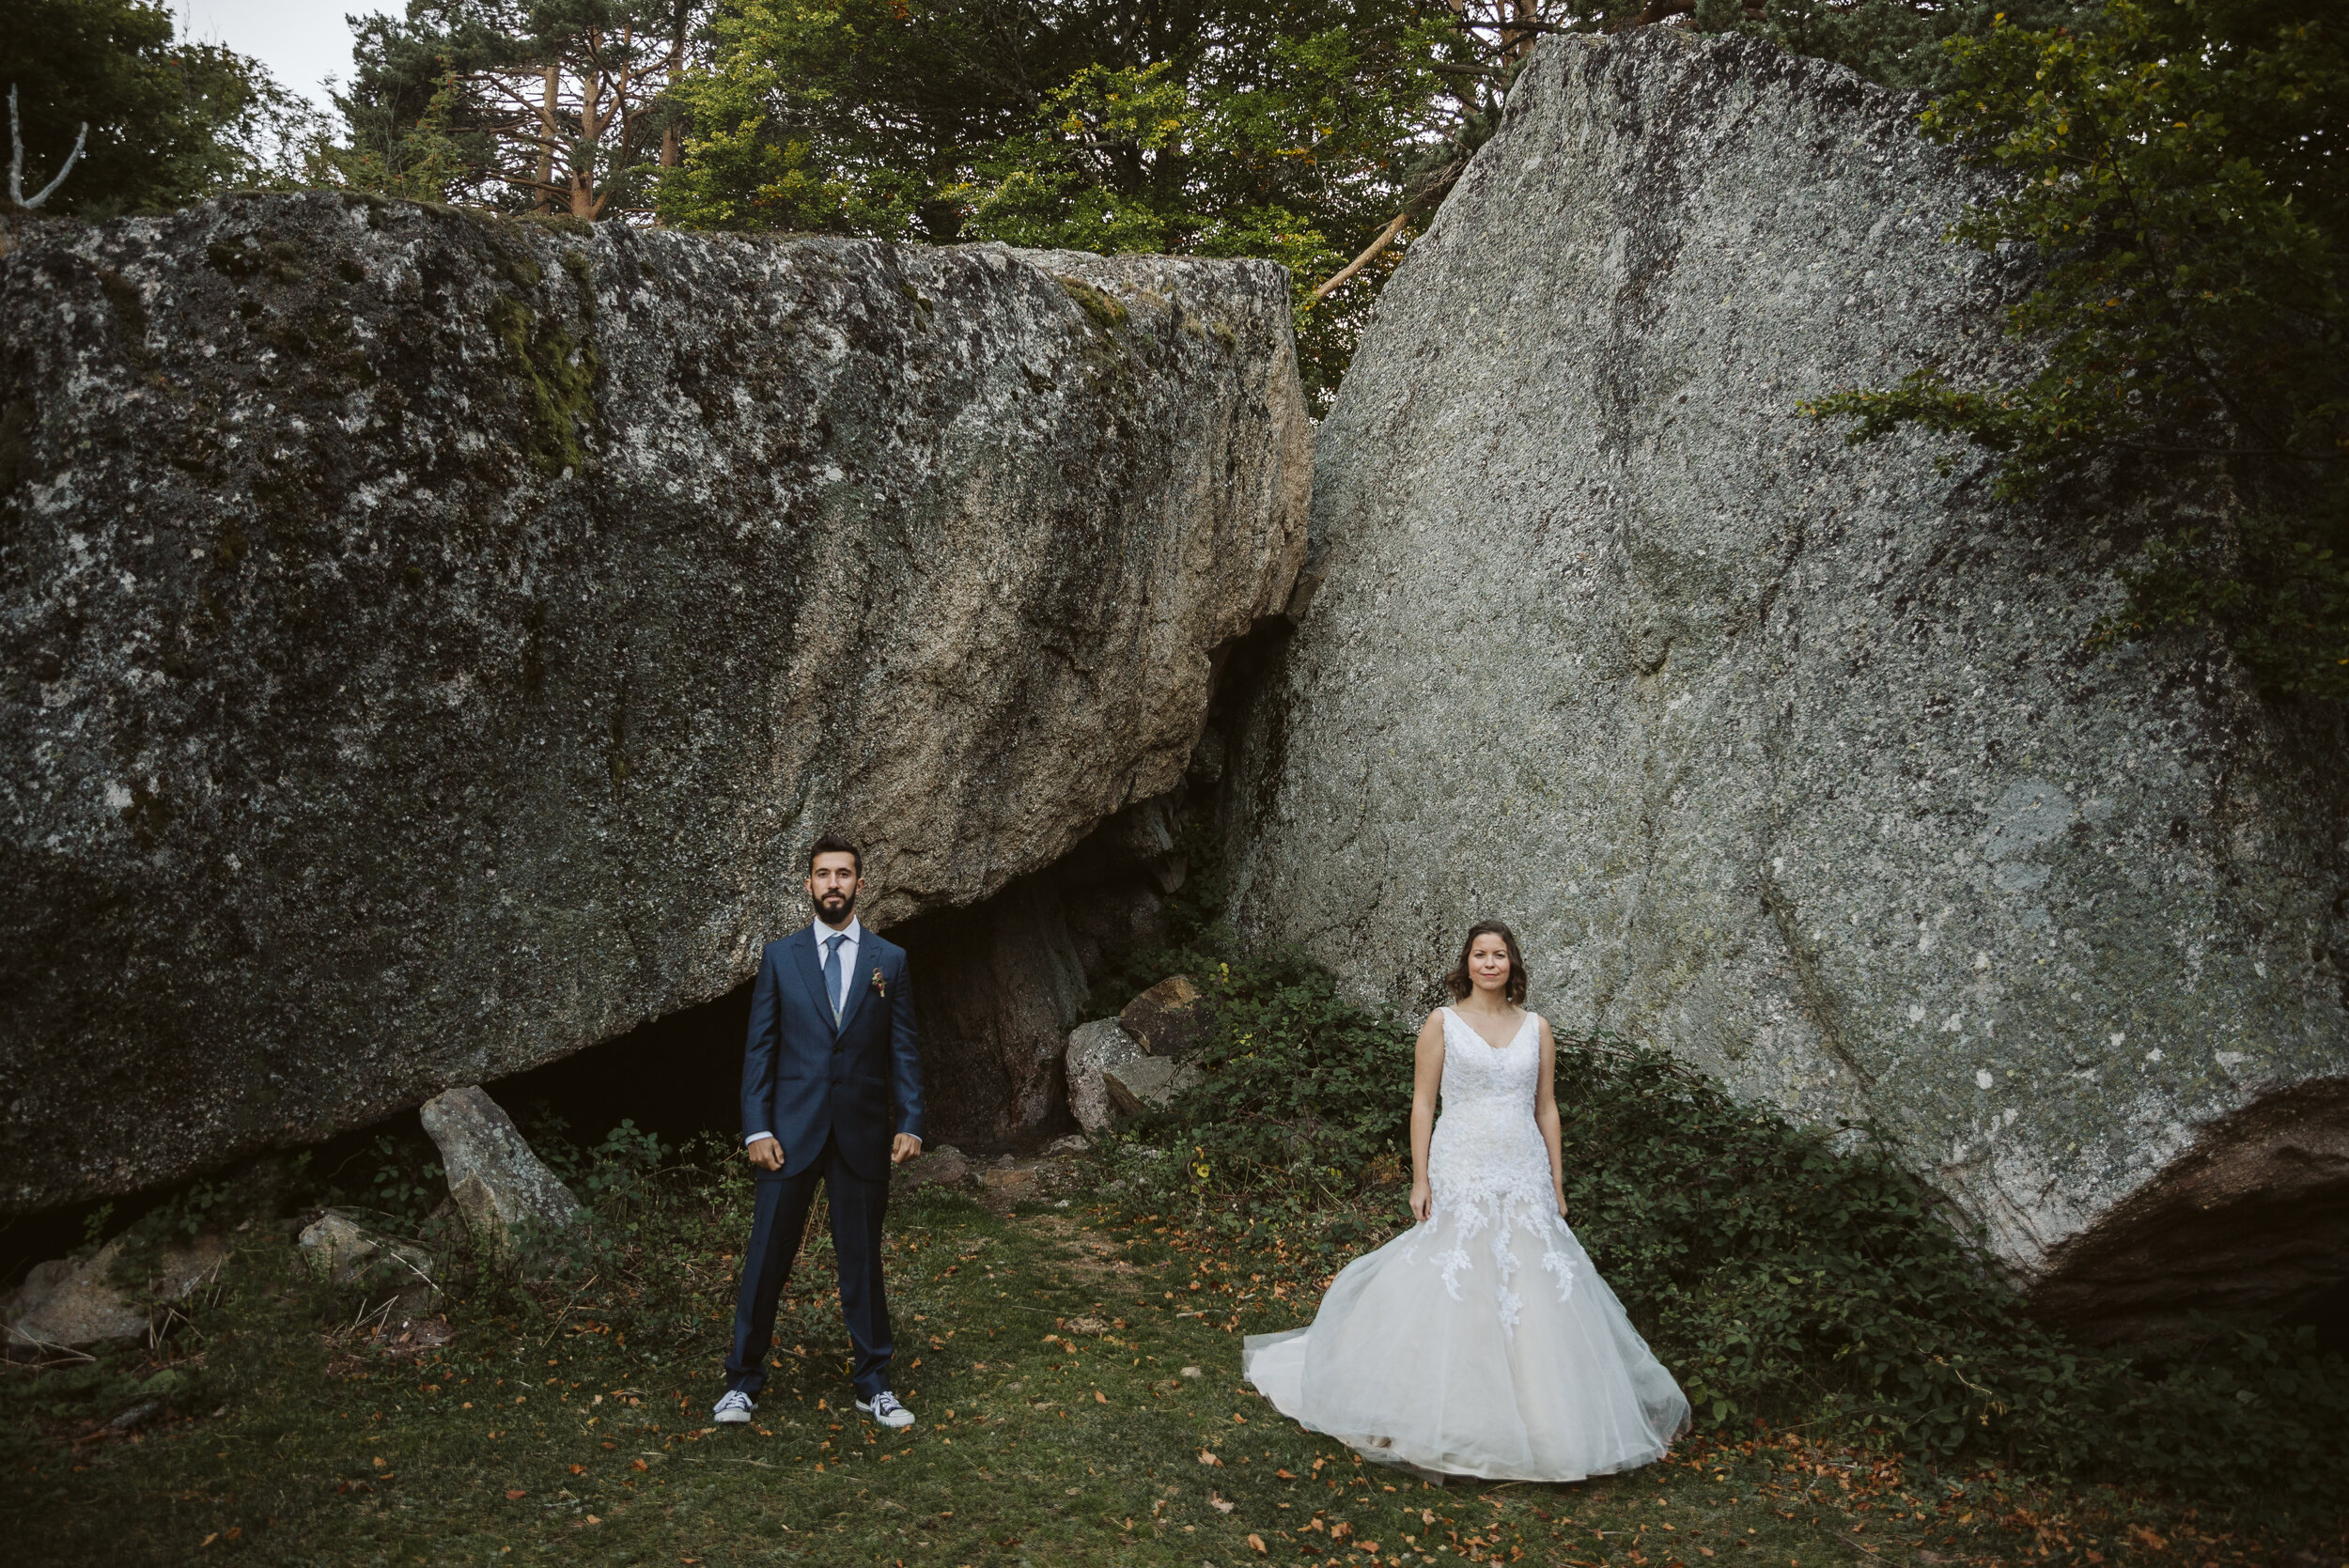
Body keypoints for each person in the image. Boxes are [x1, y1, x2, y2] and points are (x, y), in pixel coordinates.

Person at [1243, 920, 1689, 1482]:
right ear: (1467, 964)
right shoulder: (1443, 1023)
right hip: (1462, 1162)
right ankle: (1434, 1407)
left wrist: (1556, 1180)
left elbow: (1546, 1107)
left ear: (1513, 965)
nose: (1489, 963)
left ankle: (1544, 1423)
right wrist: (1420, 1177)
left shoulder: (1537, 1028)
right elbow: (1423, 1105)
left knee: (1535, 1279)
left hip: (1522, 1166)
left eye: (1499, 955)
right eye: (1480, 954)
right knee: (1459, 1268)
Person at [713, 834, 926, 1431]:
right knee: (765, 1261)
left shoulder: (891, 961)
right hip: (789, 1135)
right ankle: (742, 1383)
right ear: (807, 884)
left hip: (861, 1135)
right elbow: (760, 1051)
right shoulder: (781, 958)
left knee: (862, 1263)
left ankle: (874, 1385)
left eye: (844, 874)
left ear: (860, 883)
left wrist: (910, 1121)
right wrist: (756, 1127)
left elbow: (904, 1050)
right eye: (823, 874)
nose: (834, 883)